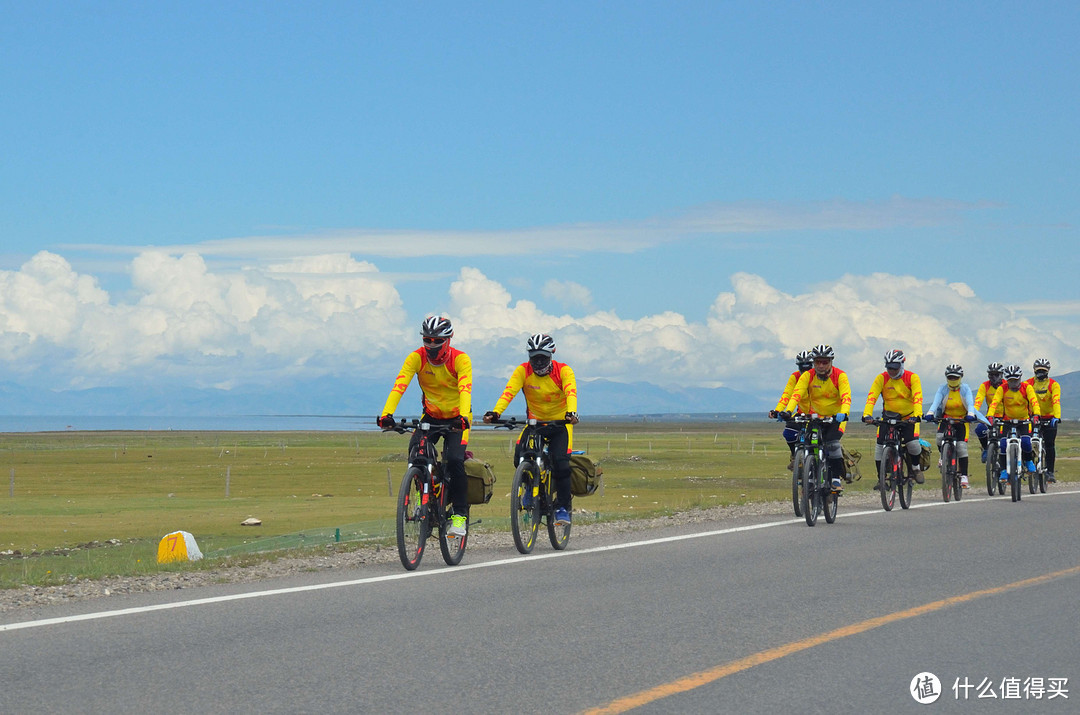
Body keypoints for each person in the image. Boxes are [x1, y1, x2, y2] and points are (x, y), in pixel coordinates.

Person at [377, 316, 474, 538]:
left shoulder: (460, 359)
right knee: (415, 453)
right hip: (431, 416)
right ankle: (426, 493)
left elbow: (465, 390)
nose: (431, 345)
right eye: (427, 340)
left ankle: (459, 515)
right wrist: (386, 415)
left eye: (436, 341)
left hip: (457, 418)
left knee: (455, 461)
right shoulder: (416, 358)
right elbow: (399, 385)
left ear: (448, 340)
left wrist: (462, 417)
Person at [483, 334, 579, 526]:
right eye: (534, 357)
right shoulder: (523, 371)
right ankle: (529, 487)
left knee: (561, 464)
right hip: (535, 424)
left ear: (552, 354)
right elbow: (508, 392)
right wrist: (496, 412)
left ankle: (562, 507)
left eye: (543, 357)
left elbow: (571, 391)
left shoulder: (564, 370)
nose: (539, 361)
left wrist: (571, 412)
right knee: (519, 456)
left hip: (561, 425)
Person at [777, 344, 851, 491]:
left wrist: (844, 413)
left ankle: (836, 479)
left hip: (835, 418)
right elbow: (796, 394)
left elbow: (846, 397)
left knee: (832, 444)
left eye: (825, 362)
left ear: (831, 362)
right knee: (808, 443)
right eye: (818, 362)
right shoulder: (807, 375)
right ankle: (808, 473)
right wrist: (788, 411)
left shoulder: (840, 376)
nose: (821, 365)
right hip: (814, 417)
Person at [861, 349, 925, 484]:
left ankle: (915, 467)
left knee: (912, 444)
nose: (892, 371)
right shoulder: (881, 378)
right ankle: (881, 479)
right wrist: (867, 414)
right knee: (879, 446)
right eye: (889, 368)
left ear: (902, 365)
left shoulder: (912, 377)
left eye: (895, 368)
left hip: (909, 417)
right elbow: (872, 397)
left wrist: (917, 415)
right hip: (888, 417)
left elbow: (918, 398)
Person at [923, 364, 991, 489]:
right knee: (939, 438)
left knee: (961, 447)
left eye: (955, 377)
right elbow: (936, 402)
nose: (953, 380)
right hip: (946, 418)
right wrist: (930, 413)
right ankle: (942, 456)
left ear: (960, 377)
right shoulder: (942, 389)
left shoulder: (965, 389)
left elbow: (970, 403)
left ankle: (964, 476)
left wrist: (970, 414)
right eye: (950, 377)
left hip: (961, 420)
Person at [987, 364, 1041, 484]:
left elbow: (1034, 401)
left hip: (1024, 420)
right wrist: (990, 415)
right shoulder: (1002, 388)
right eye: (1010, 380)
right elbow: (994, 402)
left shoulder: (1027, 388)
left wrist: (1036, 414)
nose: (1013, 383)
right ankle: (1004, 470)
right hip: (1006, 420)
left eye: (1015, 380)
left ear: (1020, 378)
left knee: (1026, 442)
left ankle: (1028, 461)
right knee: (1002, 444)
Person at [769, 350, 813, 470]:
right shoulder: (795, 377)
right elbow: (787, 395)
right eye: (801, 368)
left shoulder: (818, 377)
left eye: (808, 368)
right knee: (788, 432)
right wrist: (778, 411)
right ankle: (795, 456)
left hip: (819, 413)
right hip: (802, 412)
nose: (805, 371)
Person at [1024, 358, 1062, 483]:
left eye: (1043, 371)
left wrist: (1057, 416)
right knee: (1028, 441)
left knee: (1050, 444)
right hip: (1033, 417)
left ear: (1048, 371)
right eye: (1038, 370)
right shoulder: (1028, 383)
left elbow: (1056, 401)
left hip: (1049, 418)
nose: (1041, 373)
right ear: (1034, 370)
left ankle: (1050, 472)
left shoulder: (1054, 385)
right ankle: (1029, 463)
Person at [973, 362, 1005, 462]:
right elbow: (978, 401)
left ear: (1001, 375)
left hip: (1006, 417)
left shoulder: (1006, 385)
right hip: (991, 416)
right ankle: (986, 448)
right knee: (980, 429)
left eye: (996, 374)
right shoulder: (985, 386)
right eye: (991, 375)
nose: (993, 377)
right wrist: (973, 412)